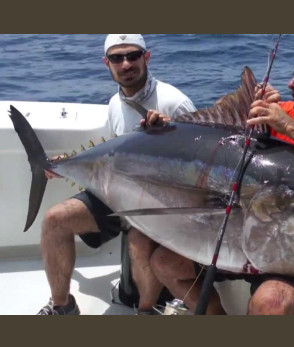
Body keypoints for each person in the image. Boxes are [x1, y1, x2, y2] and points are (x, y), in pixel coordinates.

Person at [149, 48, 294, 315]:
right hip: (240, 240)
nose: (290, 84)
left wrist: (287, 126)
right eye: (293, 76)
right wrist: (171, 127)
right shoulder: (277, 112)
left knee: (272, 303)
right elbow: (220, 128)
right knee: (163, 263)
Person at [37, 34, 196, 315]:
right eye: (117, 58)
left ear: (146, 58)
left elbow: (199, 164)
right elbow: (112, 155)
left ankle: (146, 311)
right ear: (106, 63)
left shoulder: (174, 102)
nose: (126, 64)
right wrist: (69, 163)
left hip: (163, 203)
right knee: (54, 220)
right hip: (117, 195)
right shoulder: (114, 103)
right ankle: (62, 306)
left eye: (133, 56)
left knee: (138, 236)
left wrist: (173, 133)